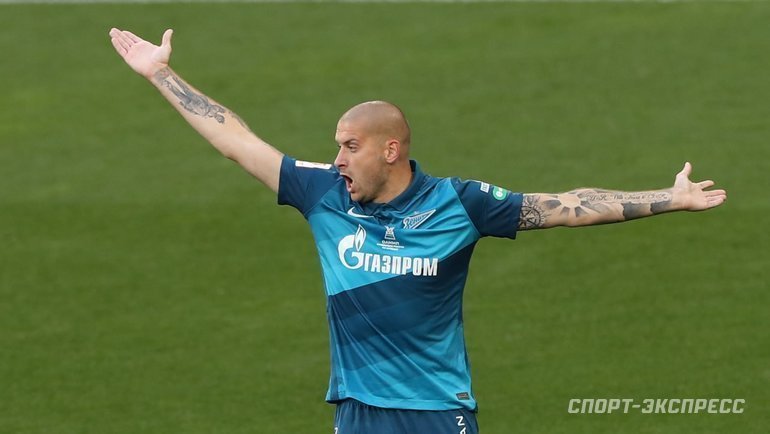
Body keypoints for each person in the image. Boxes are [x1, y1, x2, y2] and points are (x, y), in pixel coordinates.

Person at [109, 28, 727, 434]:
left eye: (350, 147)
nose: (338, 159)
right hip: (357, 410)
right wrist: (161, 74)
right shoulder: (323, 192)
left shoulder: (460, 203)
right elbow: (236, 141)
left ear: (391, 149)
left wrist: (667, 198)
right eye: (337, 146)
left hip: (435, 411)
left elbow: (568, 205)